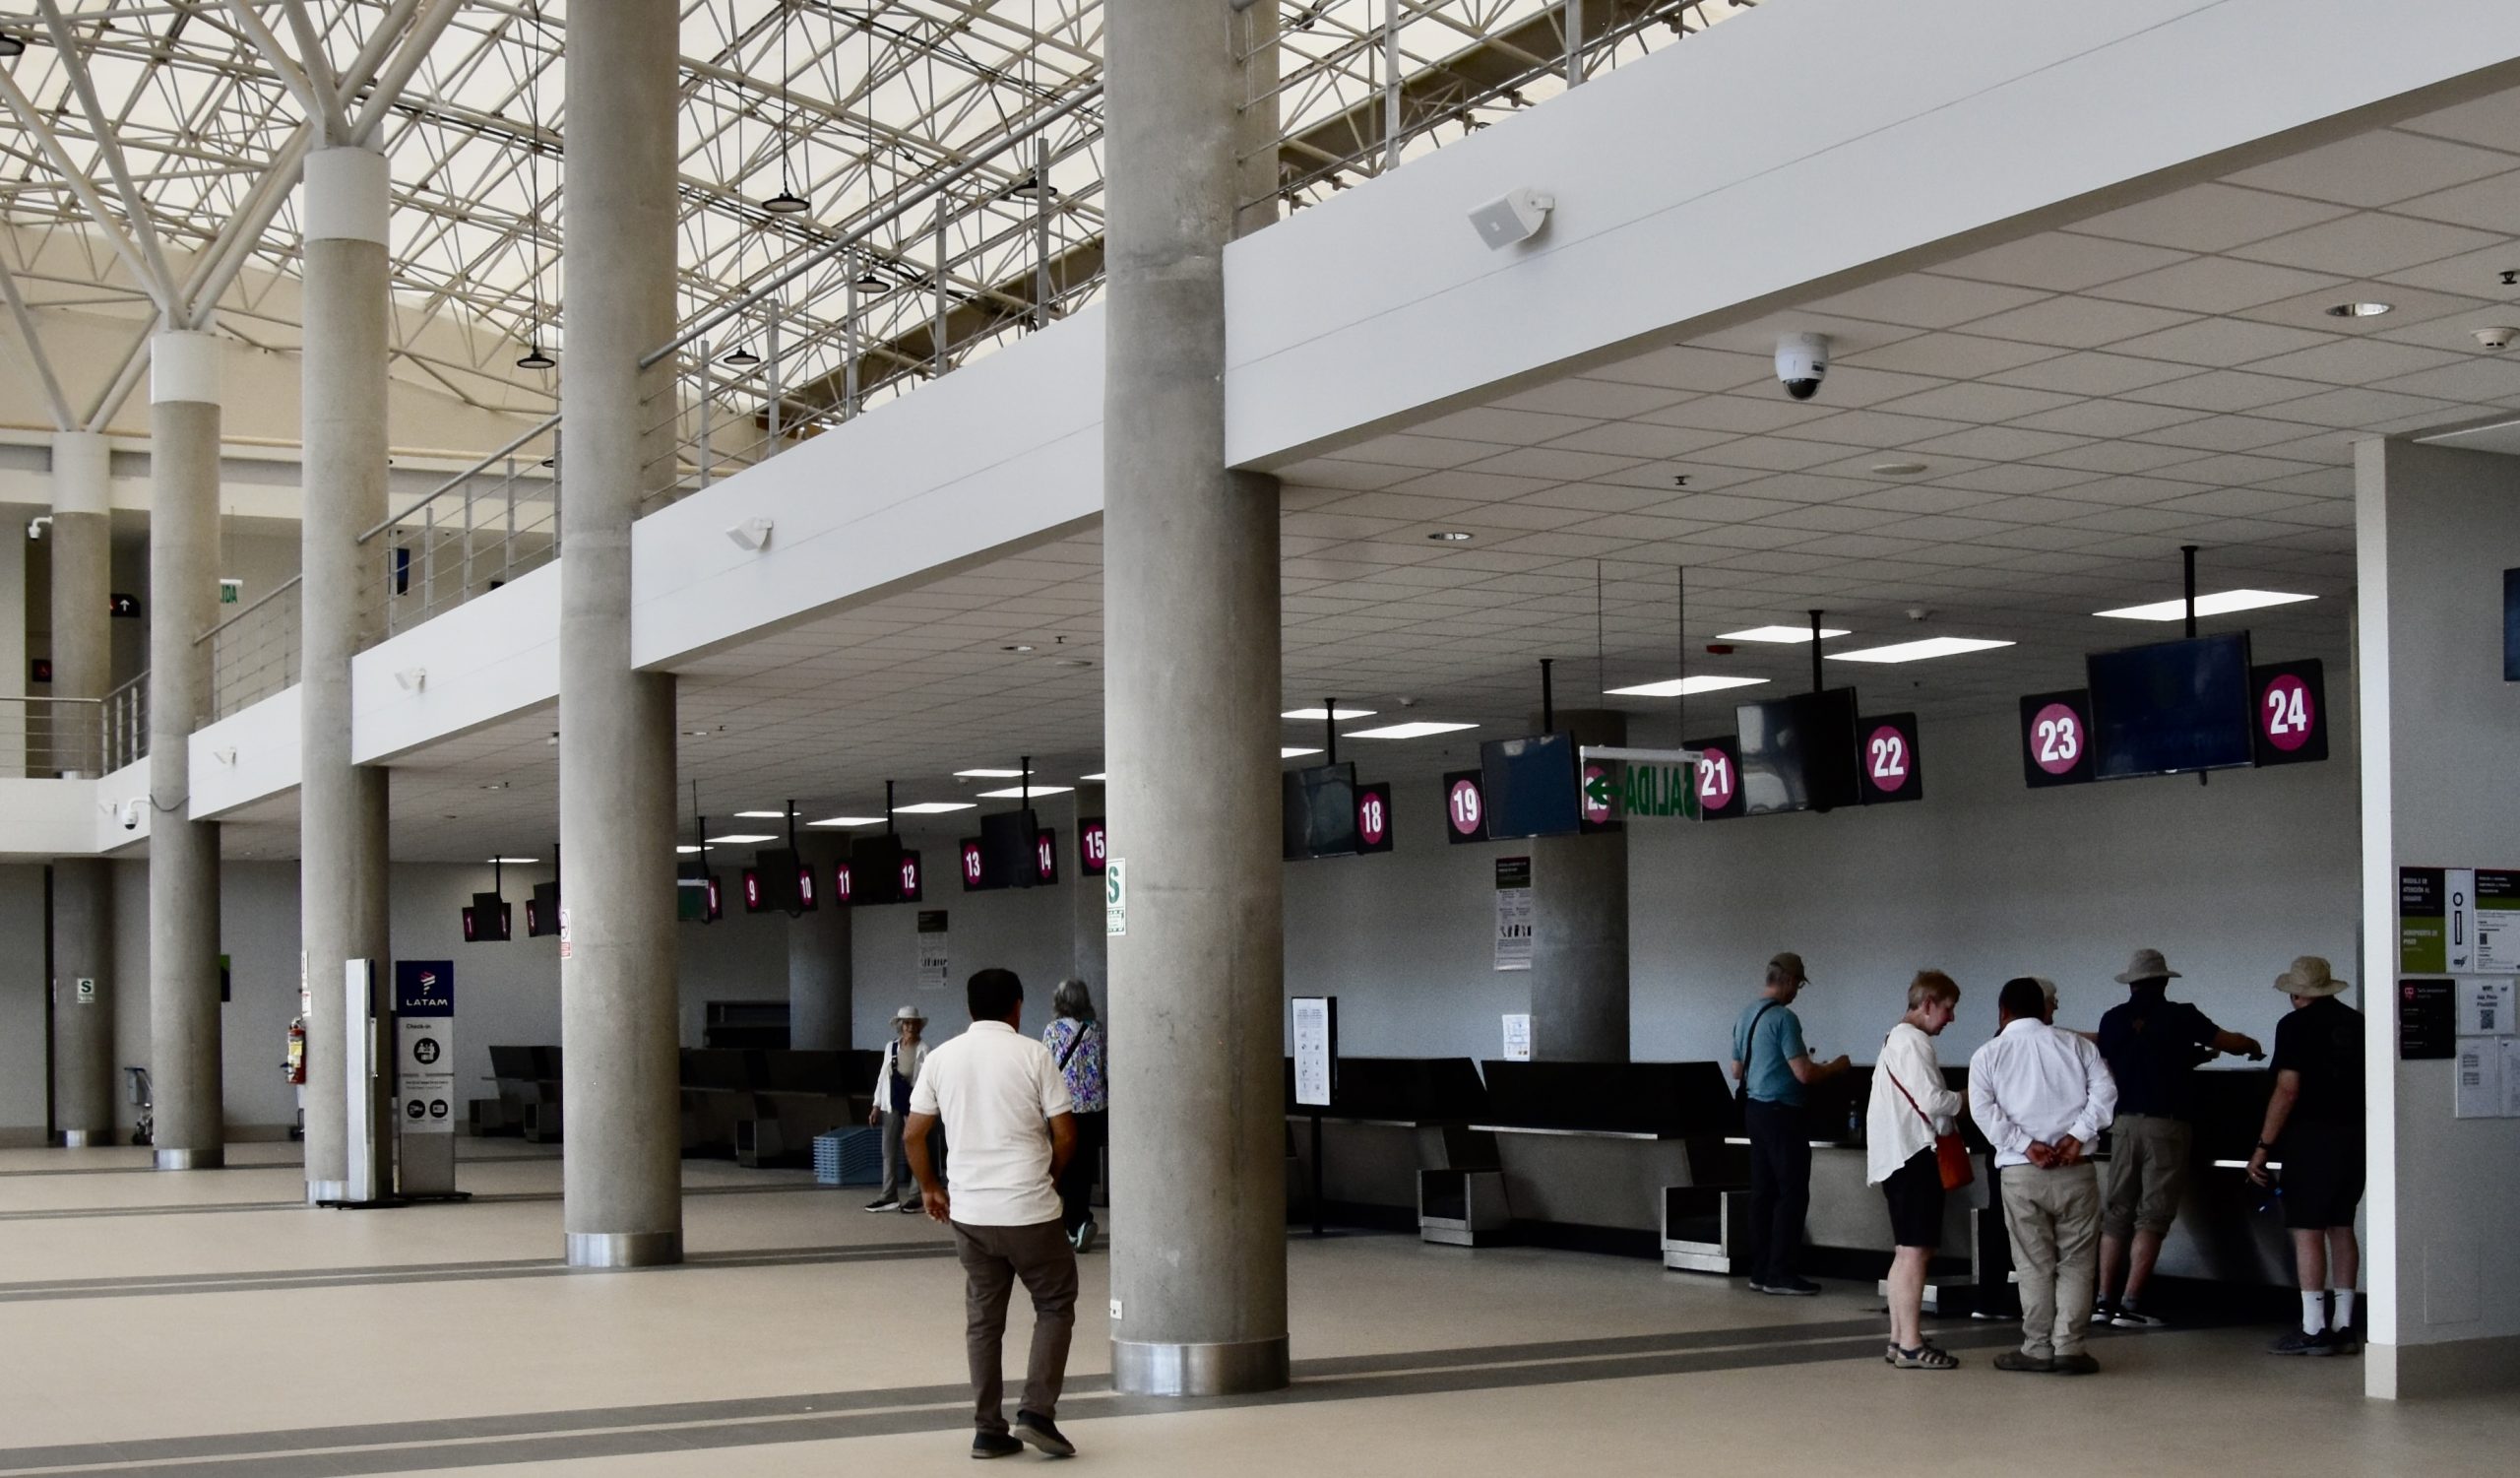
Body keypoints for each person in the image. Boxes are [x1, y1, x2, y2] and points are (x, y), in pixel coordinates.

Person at [905, 968, 1081, 1459]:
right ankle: (1037, 1413)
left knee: (984, 1321)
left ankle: (987, 1430)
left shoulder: (940, 1058)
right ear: (1018, 1007)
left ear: (968, 1009)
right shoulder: (1033, 1054)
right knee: (1054, 1302)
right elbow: (1066, 1133)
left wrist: (929, 1188)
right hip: (1030, 1209)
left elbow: (913, 1134)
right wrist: (1047, 1172)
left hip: (971, 1212)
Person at [2092, 947, 2263, 1328]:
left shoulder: (2113, 1020)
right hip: (2167, 1126)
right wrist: (2252, 1045)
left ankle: (2104, 1300)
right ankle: (2132, 1301)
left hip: (2123, 1123)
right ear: (2164, 981)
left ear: (2132, 983)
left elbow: (2130, 1056)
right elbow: (2230, 1042)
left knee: (2117, 1212)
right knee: (2152, 1215)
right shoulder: (2182, 1016)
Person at [1970, 976, 2118, 1376]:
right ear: (2045, 1008)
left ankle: (2036, 1348)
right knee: (2076, 1262)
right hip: (2076, 1170)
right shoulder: (2079, 1046)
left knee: (2033, 1263)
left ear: (2002, 1011)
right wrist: (2077, 1136)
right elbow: (2105, 1094)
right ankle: (2071, 1347)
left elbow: (1983, 1111)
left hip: (2020, 1174)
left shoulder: (1988, 1054)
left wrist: (2024, 1144)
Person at [2247, 956, 2365, 1357]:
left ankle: (2313, 1327)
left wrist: (2263, 1147)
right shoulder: (2357, 1023)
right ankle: (2346, 1323)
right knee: (2342, 1225)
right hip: (2354, 1137)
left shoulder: (2294, 1026)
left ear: (2297, 993)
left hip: (2310, 1139)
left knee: (2308, 1229)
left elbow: (2288, 1090)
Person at [1731, 951, 1852, 1296]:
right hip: (1783, 1114)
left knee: (1763, 1193)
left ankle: (1760, 1270)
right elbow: (1804, 1073)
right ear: (1785, 981)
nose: (1797, 991)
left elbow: (1737, 1071)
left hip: (1754, 1111)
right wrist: (1836, 1067)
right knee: (1792, 1192)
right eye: (1797, 984)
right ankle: (1781, 1273)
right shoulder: (1784, 1019)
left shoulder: (1745, 1014)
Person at [1867, 969, 1965, 1370]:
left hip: (1896, 1157)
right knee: (1916, 1252)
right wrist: (1970, 1097)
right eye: (1947, 1008)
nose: (1951, 1017)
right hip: (1914, 1156)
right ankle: (1910, 1344)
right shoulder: (1913, 1041)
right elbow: (1932, 1100)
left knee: (1905, 1252)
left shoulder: (1895, 1039)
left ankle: (1898, 1339)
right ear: (1927, 1004)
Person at [1041, 977, 1106, 1253]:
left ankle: (1074, 1223)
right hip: (1095, 1108)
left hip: (1063, 1109)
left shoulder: (1054, 1030)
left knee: (1065, 1166)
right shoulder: (1097, 1030)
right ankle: (1078, 1221)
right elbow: (1106, 1068)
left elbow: (1046, 1069)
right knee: (1085, 1165)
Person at [865, 1004, 930, 1214]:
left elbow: (927, 1080)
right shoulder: (890, 1048)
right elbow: (882, 1079)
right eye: (907, 1023)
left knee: (915, 1147)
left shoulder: (925, 1049)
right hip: (891, 1102)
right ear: (900, 1026)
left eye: (913, 1023)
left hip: (915, 1105)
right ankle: (888, 1195)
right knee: (889, 1149)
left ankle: (915, 1195)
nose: (910, 1027)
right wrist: (876, 1105)